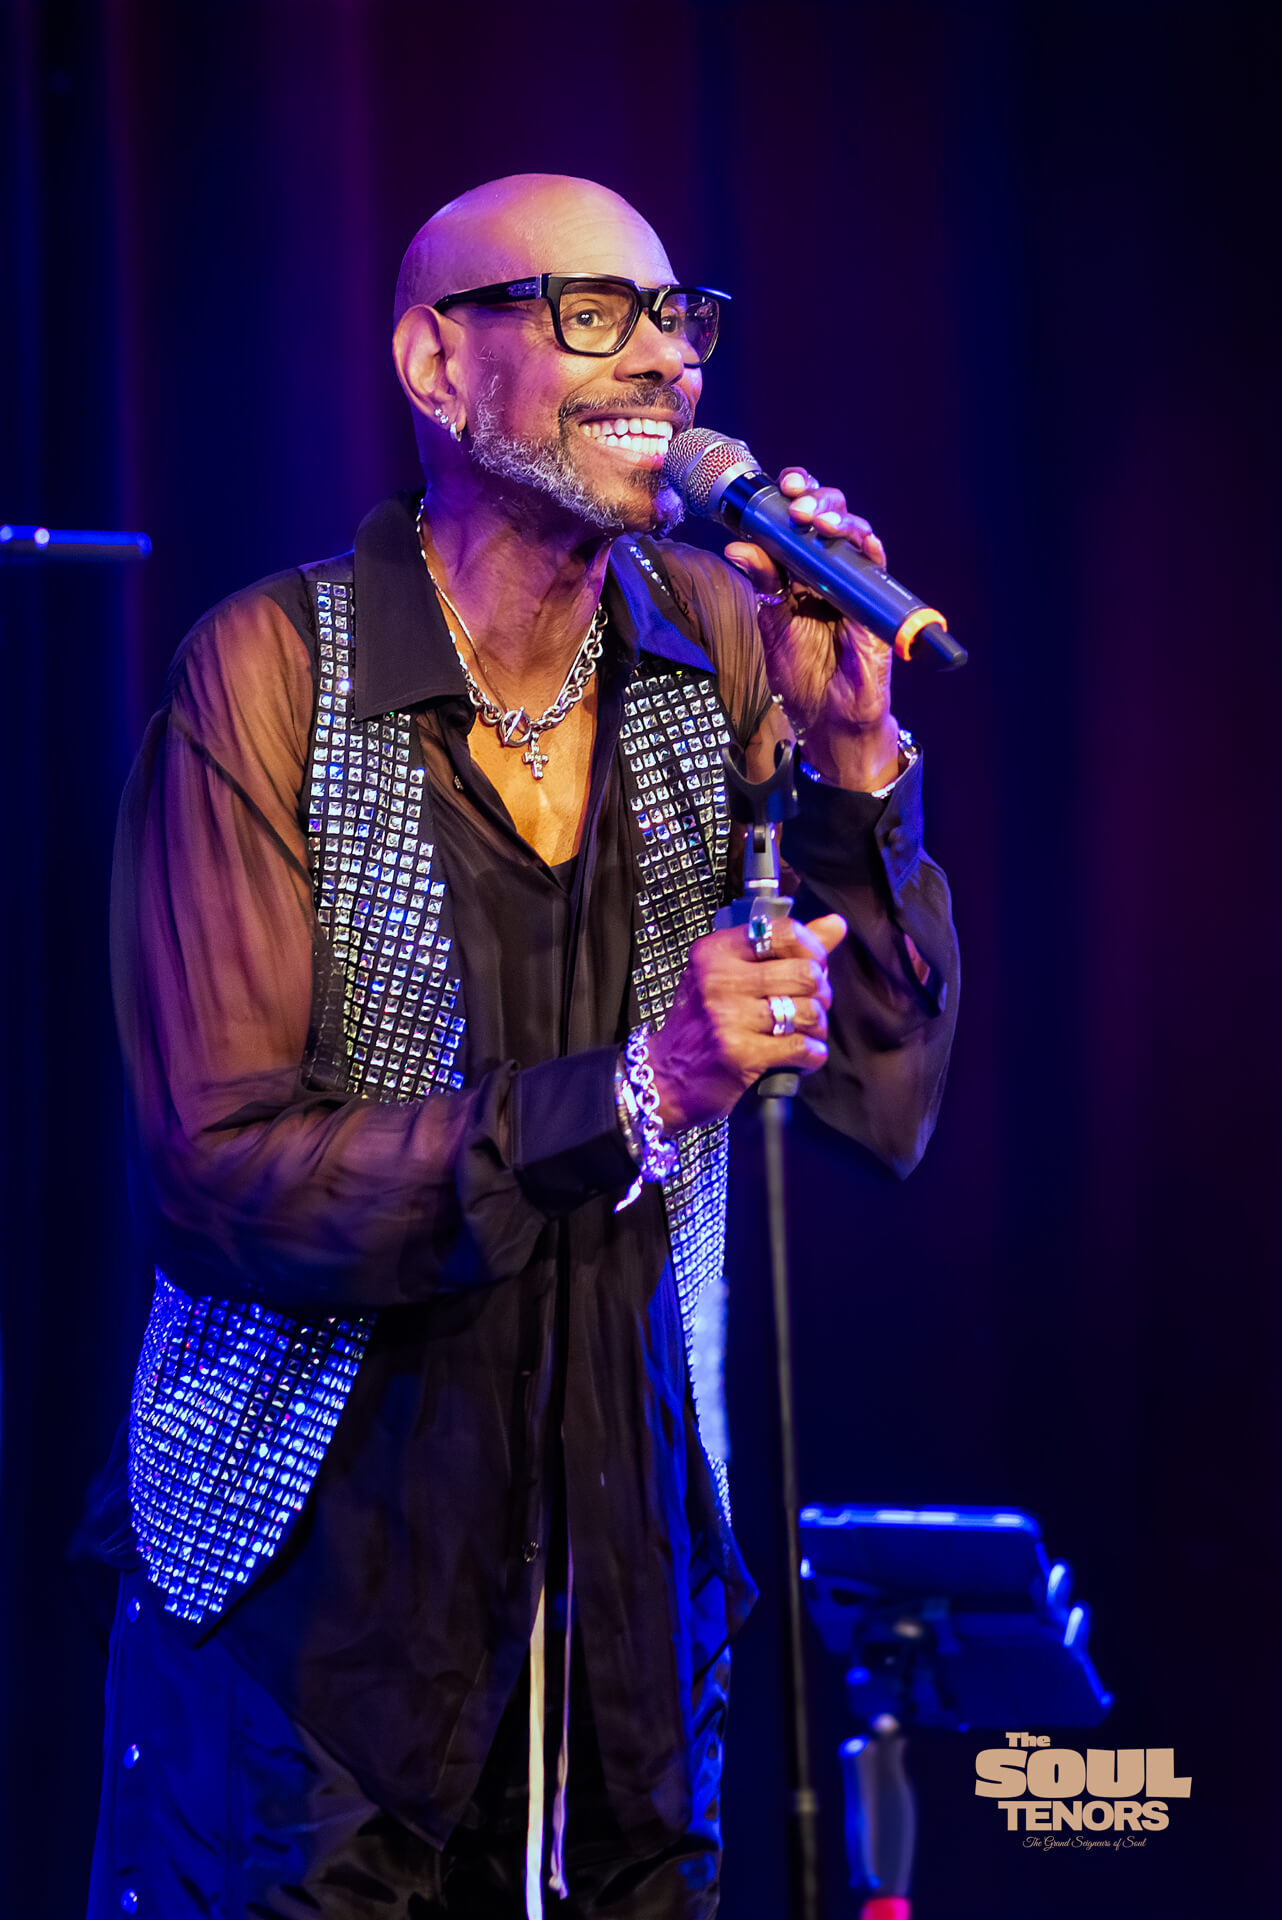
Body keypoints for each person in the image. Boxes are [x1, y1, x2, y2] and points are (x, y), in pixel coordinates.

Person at [89, 173, 958, 1919]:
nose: (662, 362)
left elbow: (876, 1097)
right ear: (436, 363)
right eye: (591, 313)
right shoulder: (269, 673)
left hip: (629, 1604)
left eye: (676, 320)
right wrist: (638, 1093)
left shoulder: (713, 653)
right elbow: (218, 1170)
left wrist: (856, 770)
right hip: (315, 1621)